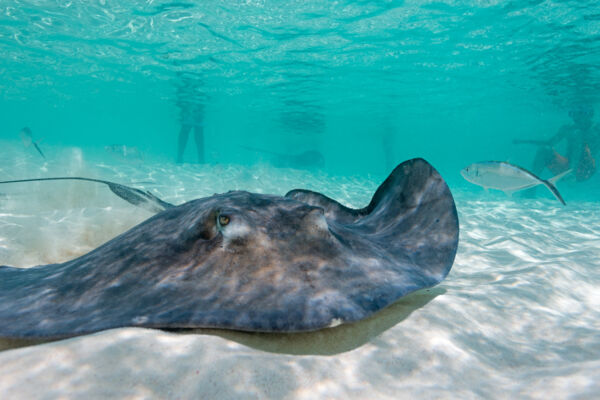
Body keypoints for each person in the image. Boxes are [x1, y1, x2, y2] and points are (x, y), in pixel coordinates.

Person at [530, 105, 599, 182]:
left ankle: (572, 174)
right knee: (543, 150)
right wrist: (528, 142)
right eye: (574, 114)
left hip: (586, 171)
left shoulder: (596, 129)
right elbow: (550, 143)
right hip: (567, 168)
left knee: (577, 135)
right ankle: (530, 190)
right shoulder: (568, 128)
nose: (576, 118)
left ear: (589, 115)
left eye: (580, 114)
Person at [175, 74, 206, 164]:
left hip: (190, 105)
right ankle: (200, 159)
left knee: (189, 128)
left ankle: (180, 157)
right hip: (193, 106)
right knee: (193, 128)